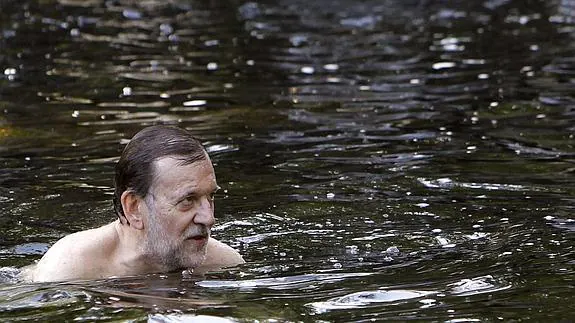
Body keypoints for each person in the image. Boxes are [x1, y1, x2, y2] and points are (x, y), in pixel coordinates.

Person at [23, 125, 244, 282]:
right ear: (134, 208)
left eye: (210, 197)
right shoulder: (69, 271)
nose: (209, 218)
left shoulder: (224, 263)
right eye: (188, 200)